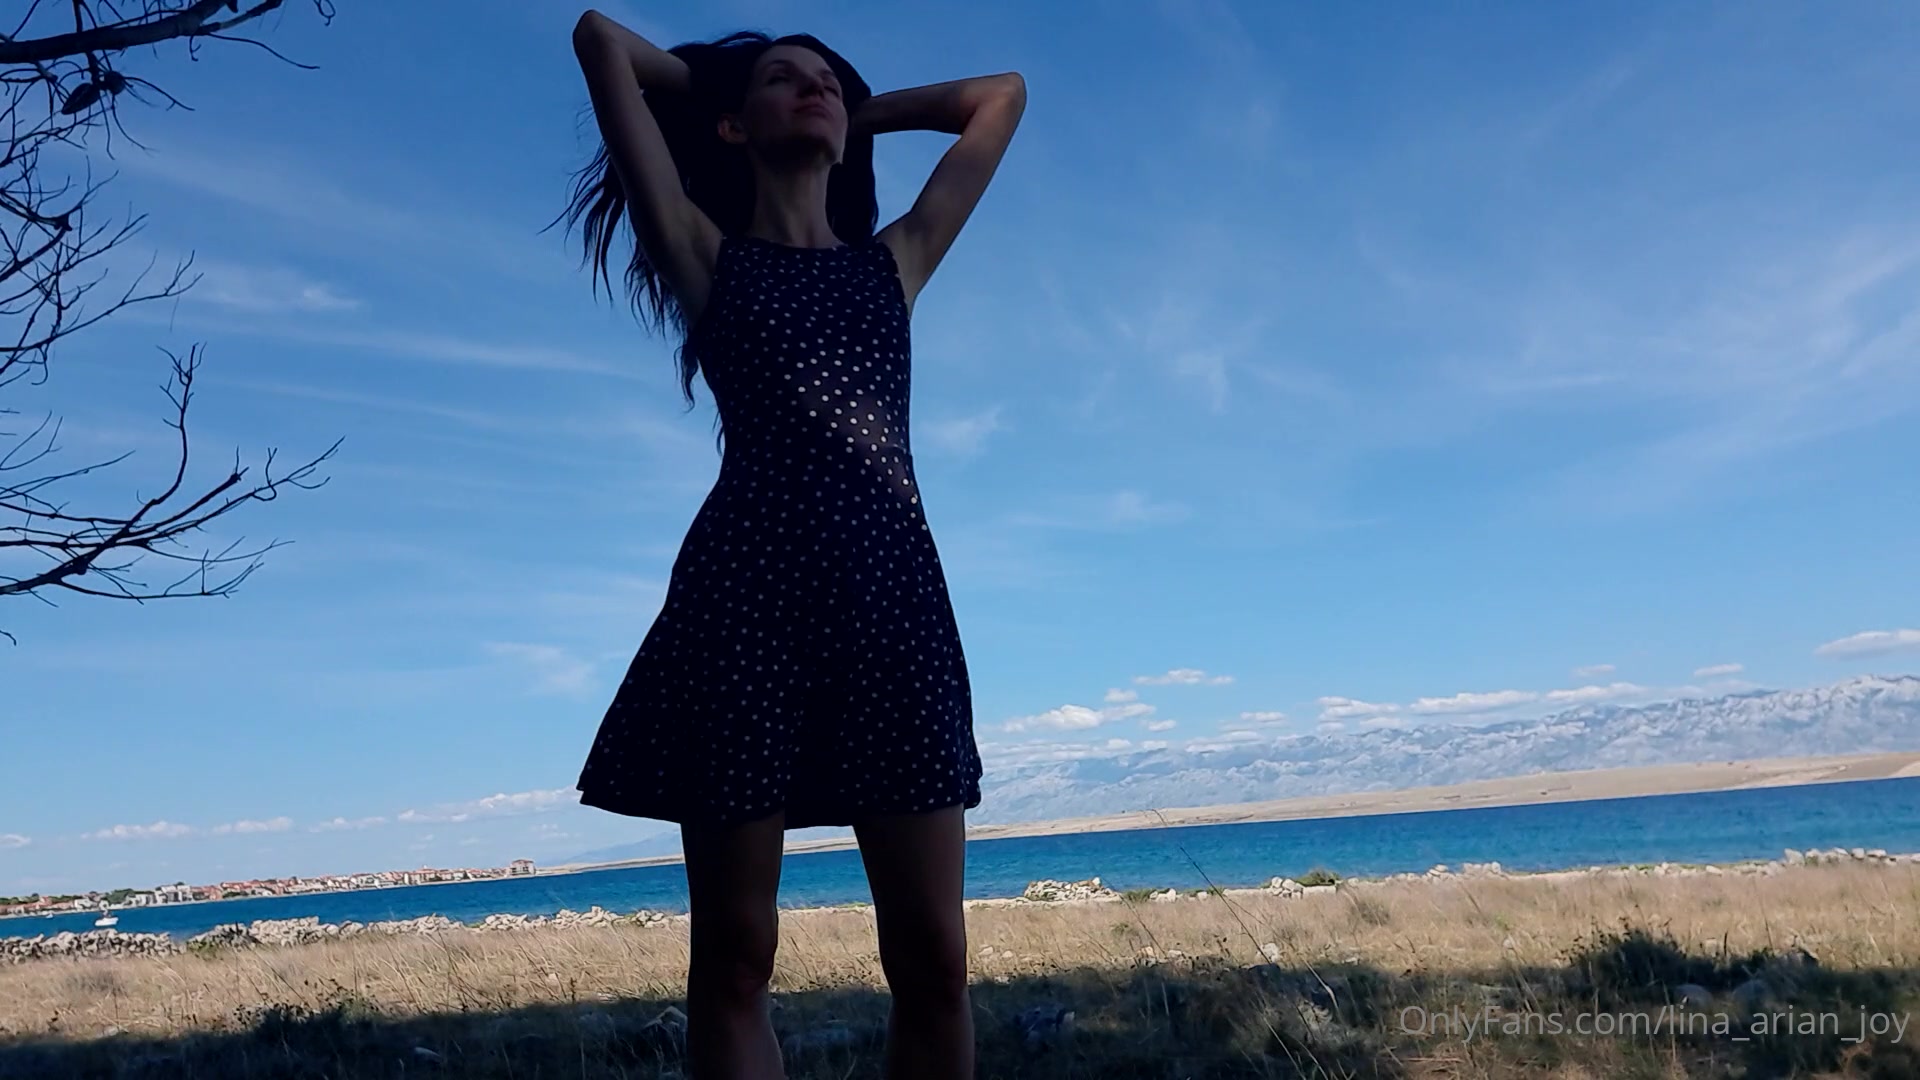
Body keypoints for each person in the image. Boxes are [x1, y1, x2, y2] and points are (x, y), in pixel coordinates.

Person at [560, 11, 1025, 1078]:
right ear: (732, 127)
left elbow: (1000, 96)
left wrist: (857, 112)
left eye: (826, 79)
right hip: (743, 612)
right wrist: (719, 86)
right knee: (735, 960)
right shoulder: (703, 254)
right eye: (783, 79)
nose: (811, 87)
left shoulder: (894, 263)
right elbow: (600, 38)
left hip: (894, 610)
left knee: (936, 960)